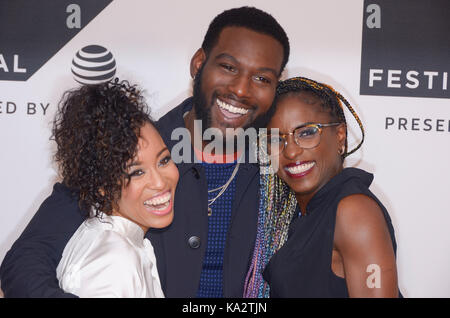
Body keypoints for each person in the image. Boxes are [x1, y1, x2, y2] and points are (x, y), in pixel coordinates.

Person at [0, 7, 290, 297]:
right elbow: (25, 262)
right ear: (199, 63)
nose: (241, 90)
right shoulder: (128, 148)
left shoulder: (280, 168)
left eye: (262, 79)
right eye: (228, 67)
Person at [244, 77, 401, 297]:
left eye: (306, 132)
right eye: (276, 139)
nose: (290, 151)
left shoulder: (354, 211)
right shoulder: (304, 215)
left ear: (340, 136)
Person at [54, 79, 179, 297]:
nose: (160, 182)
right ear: (102, 185)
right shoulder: (114, 262)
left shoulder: (118, 240)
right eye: (137, 172)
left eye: (164, 160)